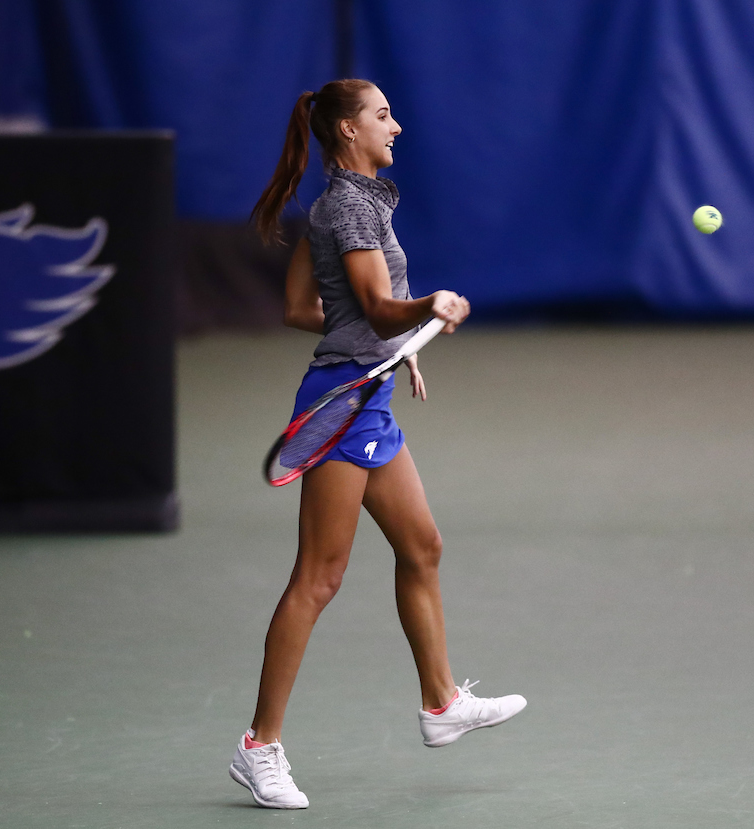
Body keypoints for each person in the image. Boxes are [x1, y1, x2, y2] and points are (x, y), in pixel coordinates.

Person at [229, 79, 526, 810]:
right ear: (347, 130)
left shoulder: (341, 205)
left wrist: (390, 347)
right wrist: (425, 309)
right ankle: (259, 746)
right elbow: (376, 305)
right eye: (383, 116)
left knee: (422, 547)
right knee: (318, 578)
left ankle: (441, 703)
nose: (396, 126)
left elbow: (302, 308)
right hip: (342, 408)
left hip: (370, 394)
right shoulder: (350, 208)